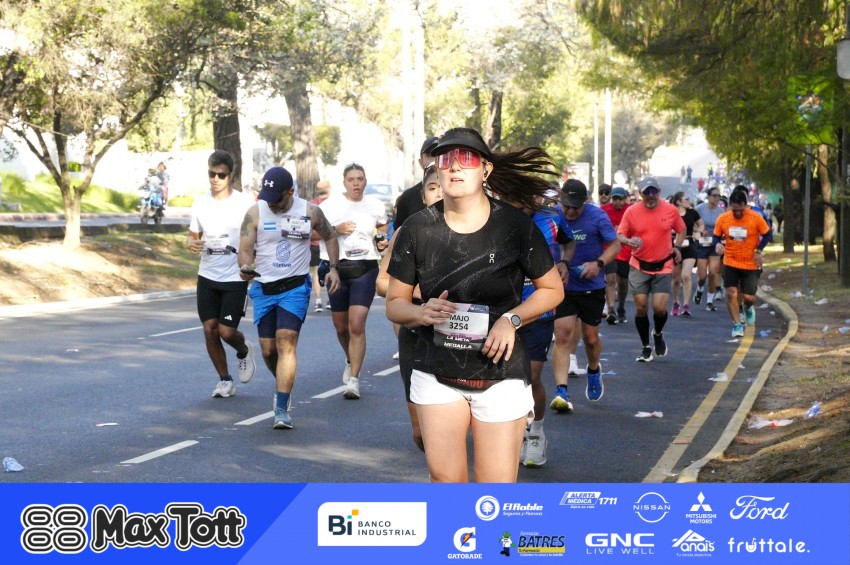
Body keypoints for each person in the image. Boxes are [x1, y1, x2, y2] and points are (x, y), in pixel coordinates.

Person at [385, 127, 564, 483]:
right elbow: (394, 303)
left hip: (500, 372)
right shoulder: (417, 229)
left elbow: (552, 290)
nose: (454, 166)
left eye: (466, 158)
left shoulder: (515, 226)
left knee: (494, 491)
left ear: (485, 169)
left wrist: (511, 319)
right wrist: (420, 312)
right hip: (436, 370)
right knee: (447, 483)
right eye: (445, 159)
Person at [238, 166, 341, 429]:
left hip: (294, 287)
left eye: (276, 199)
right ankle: (282, 382)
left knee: (286, 342)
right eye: (267, 198)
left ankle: (282, 408)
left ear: (291, 192)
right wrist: (245, 266)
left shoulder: (310, 211)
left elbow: (330, 236)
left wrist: (334, 268)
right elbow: (245, 249)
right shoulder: (255, 212)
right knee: (268, 349)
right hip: (264, 287)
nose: (271, 203)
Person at [376, 164, 442, 451]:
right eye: (432, 188)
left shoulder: (481, 228)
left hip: (463, 337)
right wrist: (411, 291)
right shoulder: (408, 231)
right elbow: (382, 283)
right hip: (417, 333)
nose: (439, 192)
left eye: (444, 185)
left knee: (453, 426)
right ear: (424, 196)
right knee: (421, 434)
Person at [186, 150, 257, 399]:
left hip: (235, 276)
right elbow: (193, 236)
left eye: (221, 175)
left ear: (231, 176)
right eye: (211, 174)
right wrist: (191, 243)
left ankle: (243, 349)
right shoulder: (200, 203)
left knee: (226, 331)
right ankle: (225, 380)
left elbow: (256, 235)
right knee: (209, 329)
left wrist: (252, 264)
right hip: (207, 274)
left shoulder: (245, 203)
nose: (215, 179)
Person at [320, 163, 389, 400]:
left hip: (365, 268)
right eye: (351, 179)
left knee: (356, 324)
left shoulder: (374, 204)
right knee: (341, 327)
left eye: (360, 178)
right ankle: (350, 359)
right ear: (344, 182)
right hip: (336, 269)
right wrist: (335, 229)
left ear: (365, 181)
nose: (356, 183)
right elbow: (313, 232)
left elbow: (382, 224)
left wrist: (381, 238)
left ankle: (354, 380)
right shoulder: (330, 205)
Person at [551, 179, 620, 409]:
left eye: (575, 207)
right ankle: (562, 392)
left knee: (591, 339)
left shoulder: (597, 216)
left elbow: (615, 246)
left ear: (586, 201)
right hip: (563, 286)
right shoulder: (552, 215)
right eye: (566, 206)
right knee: (562, 335)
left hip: (591, 286)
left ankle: (593, 369)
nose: (570, 212)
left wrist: (598, 264)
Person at [617, 177, 685, 362]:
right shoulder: (632, 211)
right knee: (641, 308)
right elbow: (620, 234)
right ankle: (646, 346)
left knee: (659, 309)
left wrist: (677, 247)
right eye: (646, 192)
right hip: (639, 265)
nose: (650, 195)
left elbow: (681, 229)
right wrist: (628, 241)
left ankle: (658, 333)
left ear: (659, 192)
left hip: (663, 266)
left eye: (654, 191)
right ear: (640, 194)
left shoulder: (670, 210)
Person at [713, 188, 772, 338]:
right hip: (730, 261)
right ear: (730, 206)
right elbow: (716, 236)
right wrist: (717, 244)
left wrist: (758, 250)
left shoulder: (755, 217)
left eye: (741, 210)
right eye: (735, 210)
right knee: (731, 293)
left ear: (746, 205)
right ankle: (737, 324)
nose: (738, 213)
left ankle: (748, 307)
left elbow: (767, 234)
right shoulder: (723, 218)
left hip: (750, 263)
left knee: (749, 297)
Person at [669, 192, 703, 317]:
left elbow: (701, 224)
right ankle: (676, 302)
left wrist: (698, 232)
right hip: (674, 245)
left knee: (686, 276)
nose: (689, 201)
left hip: (689, 245)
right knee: (676, 279)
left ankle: (686, 305)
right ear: (679, 201)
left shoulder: (692, 212)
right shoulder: (671, 213)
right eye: (687, 198)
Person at [393, 136, 439, 228]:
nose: (435, 159)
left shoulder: (456, 193)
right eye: (430, 155)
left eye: (440, 154)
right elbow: (399, 233)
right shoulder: (407, 197)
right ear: (420, 162)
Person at [601, 185, 631, 324]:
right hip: (609, 250)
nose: (618, 201)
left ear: (625, 199)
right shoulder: (604, 210)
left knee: (623, 282)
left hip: (625, 251)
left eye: (620, 199)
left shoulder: (630, 211)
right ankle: (611, 309)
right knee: (611, 278)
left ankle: (621, 306)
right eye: (615, 199)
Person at [694, 187, 726, 310]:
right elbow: (692, 226)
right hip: (702, 244)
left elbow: (724, 227)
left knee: (713, 273)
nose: (717, 198)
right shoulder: (699, 209)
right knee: (702, 276)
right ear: (708, 196)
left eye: (719, 196)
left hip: (715, 244)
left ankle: (709, 302)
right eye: (714, 195)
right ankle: (699, 289)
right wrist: (700, 231)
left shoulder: (721, 212)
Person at [309, 180, 331, 312]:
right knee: (330, 270)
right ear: (329, 188)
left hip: (315, 243)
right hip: (328, 242)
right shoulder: (333, 204)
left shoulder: (312, 204)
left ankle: (318, 301)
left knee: (316, 272)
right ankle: (330, 299)